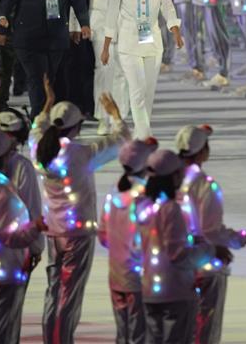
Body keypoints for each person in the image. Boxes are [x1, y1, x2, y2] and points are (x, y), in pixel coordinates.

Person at [30, 81, 129, 344]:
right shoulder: (80, 153)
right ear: (76, 128)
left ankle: (51, 338)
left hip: (53, 231)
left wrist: (46, 105)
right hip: (78, 234)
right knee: (69, 294)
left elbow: (35, 129)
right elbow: (121, 141)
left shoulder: (38, 150)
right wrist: (115, 116)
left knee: (53, 290)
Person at [176, 124, 246, 343]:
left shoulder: (167, 180)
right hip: (203, 267)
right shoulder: (204, 185)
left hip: (172, 266)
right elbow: (211, 231)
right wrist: (241, 238)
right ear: (203, 151)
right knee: (204, 329)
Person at [1, 0, 90, 117]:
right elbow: (8, 1)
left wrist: (84, 23)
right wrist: (1, 25)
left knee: (51, 79)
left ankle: (48, 119)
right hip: (28, 39)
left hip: (56, 37)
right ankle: (38, 121)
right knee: (37, 79)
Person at [0, 129, 48, 344]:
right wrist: (35, 228)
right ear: (5, 156)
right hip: (6, 268)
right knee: (6, 328)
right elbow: (9, 236)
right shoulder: (3, 191)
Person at [101, 0, 183, 140]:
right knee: (137, 91)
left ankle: (140, 133)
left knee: (148, 92)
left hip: (153, 43)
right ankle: (146, 135)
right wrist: (105, 47)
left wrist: (175, 30)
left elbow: (168, 7)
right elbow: (111, 16)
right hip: (129, 45)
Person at [138, 149, 219, 344]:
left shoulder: (141, 206)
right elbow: (177, 254)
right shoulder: (170, 209)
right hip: (175, 291)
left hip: (149, 289)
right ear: (173, 176)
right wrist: (210, 251)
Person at [98, 137, 159, 344]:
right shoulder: (144, 198)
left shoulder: (114, 193)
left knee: (123, 332)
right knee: (139, 334)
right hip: (138, 278)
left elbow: (103, 236)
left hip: (116, 274)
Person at [77, 0, 128, 134]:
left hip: (127, 22)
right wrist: (76, 24)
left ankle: (120, 116)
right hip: (99, 20)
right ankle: (103, 117)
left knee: (124, 70)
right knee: (104, 67)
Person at [0, 109, 45, 286]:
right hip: (16, 248)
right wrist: (36, 246)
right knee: (11, 309)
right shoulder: (22, 167)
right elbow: (32, 207)